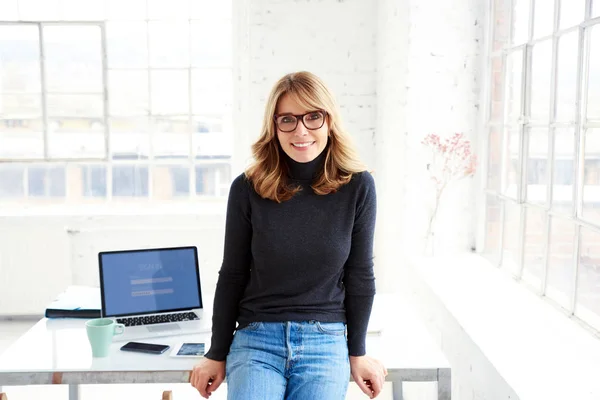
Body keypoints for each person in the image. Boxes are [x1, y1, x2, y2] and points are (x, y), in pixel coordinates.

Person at [190, 71, 387, 399]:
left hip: (325, 341)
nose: (301, 130)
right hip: (257, 341)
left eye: (313, 117)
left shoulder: (358, 186)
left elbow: (360, 275)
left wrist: (358, 352)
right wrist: (216, 352)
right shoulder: (247, 188)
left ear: (329, 121)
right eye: (287, 120)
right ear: (274, 126)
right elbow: (233, 275)